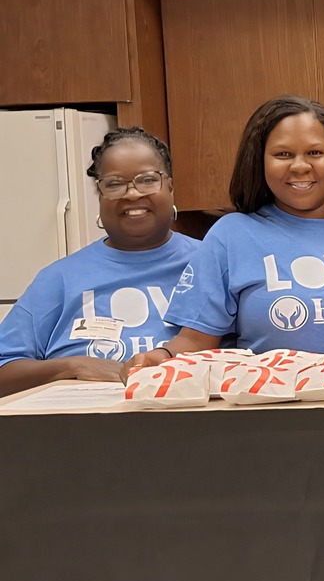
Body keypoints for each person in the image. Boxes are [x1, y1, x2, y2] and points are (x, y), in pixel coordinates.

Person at [124, 96, 324, 371]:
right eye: (283, 154)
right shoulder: (232, 236)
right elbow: (196, 341)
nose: (300, 166)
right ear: (259, 163)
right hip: (278, 413)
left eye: (315, 152)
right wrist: (161, 357)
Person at [0, 128, 198, 396]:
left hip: (196, 425)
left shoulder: (211, 263)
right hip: (78, 432)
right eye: (115, 184)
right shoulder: (59, 279)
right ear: (100, 194)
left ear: (170, 187)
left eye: (148, 180)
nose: (132, 194)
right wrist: (73, 366)